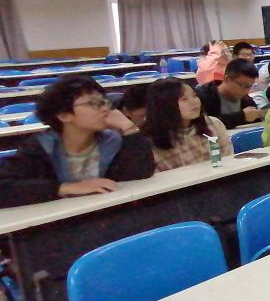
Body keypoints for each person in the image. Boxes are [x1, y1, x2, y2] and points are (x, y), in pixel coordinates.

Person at [0, 75, 155, 206]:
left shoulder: (110, 141)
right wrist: (64, 188)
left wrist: (129, 128)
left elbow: (139, 173)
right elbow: (4, 188)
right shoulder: (41, 147)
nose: (105, 109)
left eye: (104, 102)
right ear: (64, 115)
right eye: (93, 103)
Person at [144, 78, 233, 171]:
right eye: (184, 99)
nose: (194, 102)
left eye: (194, 96)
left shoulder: (214, 125)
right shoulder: (149, 143)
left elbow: (228, 162)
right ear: (164, 106)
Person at [195, 58, 263, 129]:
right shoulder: (203, 96)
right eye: (242, 85)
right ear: (227, 79)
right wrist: (241, 116)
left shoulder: (247, 100)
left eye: (249, 86)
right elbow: (204, 124)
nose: (246, 91)